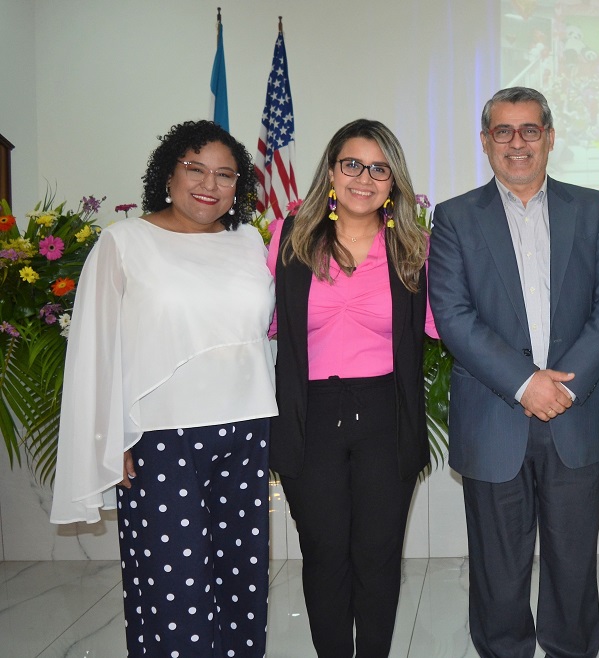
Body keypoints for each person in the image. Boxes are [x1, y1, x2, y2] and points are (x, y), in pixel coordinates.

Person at [50, 120, 278, 657]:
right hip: (160, 438)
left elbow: (260, 339)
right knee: (174, 590)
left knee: (241, 586)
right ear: (168, 173)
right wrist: (114, 435)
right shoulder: (124, 241)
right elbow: (95, 347)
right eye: (195, 168)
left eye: (225, 174)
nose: (210, 184)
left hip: (246, 430)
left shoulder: (248, 242)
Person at [428, 87, 599, 658]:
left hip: (576, 413)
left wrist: (560, 389)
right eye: (503, 131)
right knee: (498, 572)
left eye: (529, 130)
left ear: (548, 137)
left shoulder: (591, 210)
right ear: (485, 142)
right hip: (496, 418)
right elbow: (453, 315)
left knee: (573, 569)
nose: (516, 143)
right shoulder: (454, 218)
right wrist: (525, 384)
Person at [269, 118, 437, 658]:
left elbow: (449, 322)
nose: (364, 177)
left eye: (379, 168)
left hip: (386, 415)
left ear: (394, 181)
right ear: (331, 171)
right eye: (352, 164)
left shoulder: (415, 247)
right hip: (309, 416)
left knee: (378, 555)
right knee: (323, 553)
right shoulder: (288, 237)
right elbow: (257, 325)